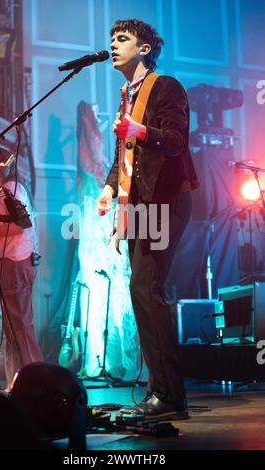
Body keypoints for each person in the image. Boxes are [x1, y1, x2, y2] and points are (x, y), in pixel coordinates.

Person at [96, 19, 199, 420]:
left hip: (167, 199)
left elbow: (175, 141)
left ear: (144, 48)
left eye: (122, 39)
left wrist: (141, 129)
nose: (113, 44)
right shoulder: (126, 94)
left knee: (148, 286)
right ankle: (164, 391)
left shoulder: (165, 86)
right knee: (140, 290)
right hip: (139, 204)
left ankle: (170, 395)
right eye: (111, 39)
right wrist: (108, 189)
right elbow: (122, 153)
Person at [0, 147, 43, 389]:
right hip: (12, 262)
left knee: (21, 326)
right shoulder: (6, 190)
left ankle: (37, 384)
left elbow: (20, 226)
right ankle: (16, 384)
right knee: (13, 328)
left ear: (1, 166)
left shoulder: (10, 190)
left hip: (16, 263)